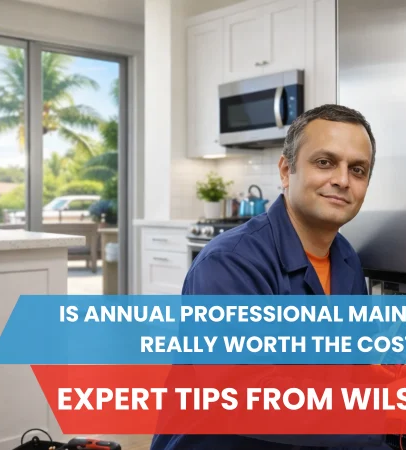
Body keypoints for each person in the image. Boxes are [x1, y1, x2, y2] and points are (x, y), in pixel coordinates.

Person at [150, 104, 391, 450]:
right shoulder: (230, 264)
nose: (342, 179)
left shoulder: (346, 260)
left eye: (358, 169)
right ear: (285, 170)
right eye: (325, 162)